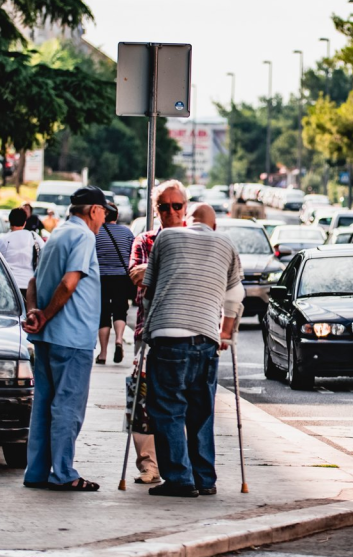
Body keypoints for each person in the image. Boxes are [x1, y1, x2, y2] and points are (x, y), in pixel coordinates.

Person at [131, 201, 243, 498]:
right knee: (201, 411)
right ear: (214, 226)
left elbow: (148, 288)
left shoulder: (167, 237)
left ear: (187, 221)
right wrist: (226, 331)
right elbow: (235, 296)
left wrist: (146, 326)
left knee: (167, 409)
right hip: (206, 338)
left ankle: (180, 479)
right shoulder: (226, 244)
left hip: (168, 335)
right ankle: (205, 479)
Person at [22, 186, 107, 492]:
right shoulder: (84, 236)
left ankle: (36, 472)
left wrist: (35, 311)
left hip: (47, 339)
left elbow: (33, 281)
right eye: (104, 213)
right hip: (72, 338)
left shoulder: (56, 234)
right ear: (94, 211)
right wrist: (46, 314)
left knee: (44, 406)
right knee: (67, 408)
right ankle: (63, 473)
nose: (104, 219)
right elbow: (69, 283)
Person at [123, 179, 189, 486]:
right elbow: (137, 282)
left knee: (182, 402)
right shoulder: (145, 240)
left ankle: (178, 465)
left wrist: (153, 273)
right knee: (143, 400)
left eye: (177, 206)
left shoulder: (195, 240)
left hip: (188, 332)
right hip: (148, 332)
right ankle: (149, 466)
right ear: (156, 210)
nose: (171, 213)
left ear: (185, 208)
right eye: (164, 207)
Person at [95, 203, 135, 365]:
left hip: (101, 278)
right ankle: (119, 339)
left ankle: (103, 353)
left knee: (103, 314)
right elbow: (133, 254)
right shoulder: (126, 232)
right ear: (117, 217)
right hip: (121, 277)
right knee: (120, 310)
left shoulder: (96, 233)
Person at [0, 208, 44, 301]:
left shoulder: (3, 239)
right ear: (25, 222)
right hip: (30, 285)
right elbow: (45, 255)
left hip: (10, 285)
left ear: (9, 221)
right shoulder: (34, 237)